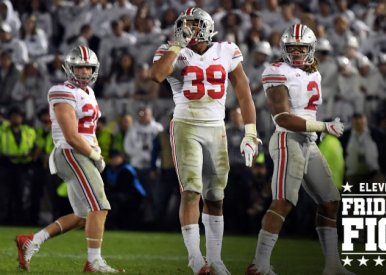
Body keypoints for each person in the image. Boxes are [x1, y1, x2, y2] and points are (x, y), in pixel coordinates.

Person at [149, 7, 259, 275]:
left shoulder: (226, 50)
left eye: (195, 25)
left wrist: (251, 131)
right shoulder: (173, 49)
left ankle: (215, 259)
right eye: (185, 26)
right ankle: (195, 258)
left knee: (216, 196)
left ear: (207, 27)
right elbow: (157, 75)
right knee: (191, 190)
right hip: (186, 126)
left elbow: (244, 93)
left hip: (216, 128)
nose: (190, 30)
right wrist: (177, 44)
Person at [246, 24, 353, 275]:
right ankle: (259, 264)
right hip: (287, 139)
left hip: (308, 142)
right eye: (292, 48)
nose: (296, 53)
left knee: (330, 202)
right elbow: (283, 117)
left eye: (301, 48)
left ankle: (332, 266)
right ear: (284, 49)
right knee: (284, 201)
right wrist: (324, 126)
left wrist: (318, 129)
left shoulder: (313, 73)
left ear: (311, 49)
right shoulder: (276, 71)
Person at [15, 46, 124, 273]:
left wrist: (95, 153)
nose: (84, 71)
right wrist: (94, 154)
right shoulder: (61, 90)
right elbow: (72, 136)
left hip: (81, 152)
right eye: (79, 66)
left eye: (88, 67)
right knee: (100, 206)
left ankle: (31, 241)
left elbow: (87, 132)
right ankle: (94, 262)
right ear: (69, 68)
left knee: (83, 217)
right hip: (71, 151)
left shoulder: (90, 93)